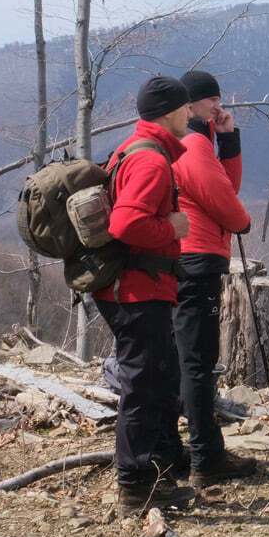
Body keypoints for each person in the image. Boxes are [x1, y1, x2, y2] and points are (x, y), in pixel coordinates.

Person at [96, 75, 196, 514]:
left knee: (155, 378)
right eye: (186, 108)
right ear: (171, 111)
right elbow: (125, 224)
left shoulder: (132, 149)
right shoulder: (152, 162)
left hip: (131, 286)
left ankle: (154, 473)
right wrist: (171, 229)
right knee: (143, 384)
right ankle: (134, 486)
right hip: (138, 290)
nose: (190, 114)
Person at [171, 70, 260, 488]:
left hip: (187, 260)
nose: (218, 107)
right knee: (198, 361)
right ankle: (205, 458)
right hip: (197, 259)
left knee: (189, 358)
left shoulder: (198, 143)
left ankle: (183, 451)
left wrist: (230, 139)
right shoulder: (193, 145)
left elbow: (226, 184)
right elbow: (227, 202)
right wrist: (241, 221)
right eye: (211, 101)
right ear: (190, 105)